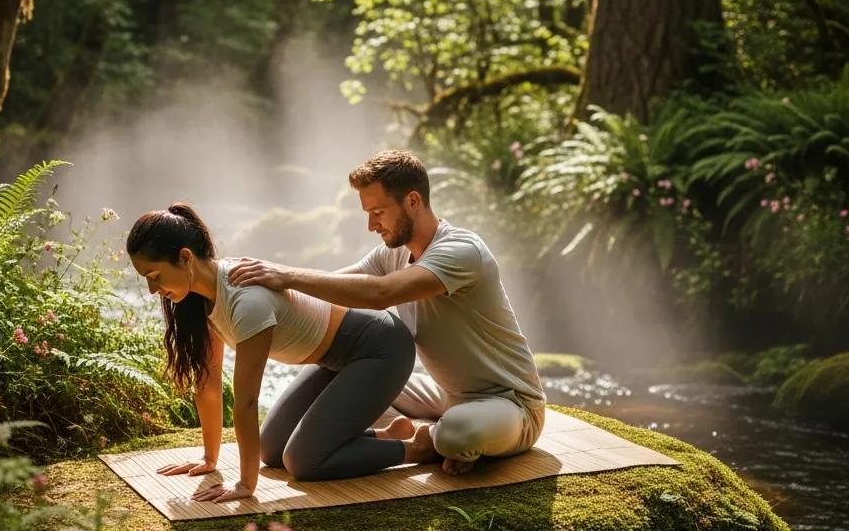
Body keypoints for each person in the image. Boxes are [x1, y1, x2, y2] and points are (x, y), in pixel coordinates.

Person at [228, 150, 546, 476]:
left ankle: (431, 440)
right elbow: (334, 287)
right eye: (368, 213)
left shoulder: (461, 251)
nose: (370, 225)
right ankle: (388, 435)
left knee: (456, 435)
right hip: (443, 394)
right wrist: (259, 288)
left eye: (378, 212)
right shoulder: (390, 256)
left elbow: (382, 294)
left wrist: (287, 274)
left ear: (412, 202)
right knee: (279, 440)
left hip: (509, 402)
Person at [127, 202, 433, 504]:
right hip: (332, 358)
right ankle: (387, 435)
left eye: (155, 276)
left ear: (185, 258)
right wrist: (210, 458)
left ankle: (418, 449)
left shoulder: (245, 300)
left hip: (380, 347)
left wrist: (246, 483)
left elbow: (246, 402)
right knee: (272, 451)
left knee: (303, 461)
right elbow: (208, 382)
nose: (153, 290)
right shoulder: (201, 298)